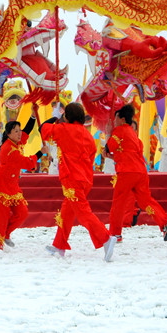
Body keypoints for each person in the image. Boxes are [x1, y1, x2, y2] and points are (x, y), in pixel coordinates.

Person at [41, 102, 117, 261]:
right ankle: (59, 245)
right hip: (85, 179)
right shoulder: (88, 135)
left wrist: (54, 118)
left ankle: (105, 238)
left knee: (83, 212)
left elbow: (43, 129)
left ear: (67, 116)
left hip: (72, 178)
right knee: (67, 212)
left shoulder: (63, 129)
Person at [105, 105, 167, 242]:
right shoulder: (133, 135)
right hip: (140, 171)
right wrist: (112, 156)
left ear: (122, 119)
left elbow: (109, 147)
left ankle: (115, 234)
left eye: (116, 118)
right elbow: (129, 154)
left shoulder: (120, 130)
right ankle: (164, 222)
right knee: (145, 200)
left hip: (127, 172)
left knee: (118, 203)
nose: (114, 121)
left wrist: (108, 133)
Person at [0, 117, 44, 251]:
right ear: (8, 134)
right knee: (1, 219)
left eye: (19, 130)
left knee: (22, 213)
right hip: (2, 187)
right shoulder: (9, 149)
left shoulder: (16, 143)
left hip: (13, 186)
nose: (19, 133)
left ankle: (6, 234)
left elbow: (26, 132)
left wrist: (32, 116)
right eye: (16, 131)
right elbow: (28, 163)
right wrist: (41, 153)